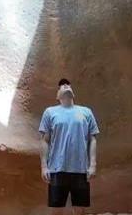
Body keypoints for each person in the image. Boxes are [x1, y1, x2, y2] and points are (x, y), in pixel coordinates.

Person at [38, 78, 100, 213]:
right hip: (57, 168)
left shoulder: (86, 112)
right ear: (57, 95)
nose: (65, 86)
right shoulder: (50, 112)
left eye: (68, 85)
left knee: (80, 210)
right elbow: (44, 140)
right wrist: (44, 166)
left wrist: (92, 165)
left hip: (80, 169)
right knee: (56, 210)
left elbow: (93, 139)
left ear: (73, 93)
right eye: (61, 86)